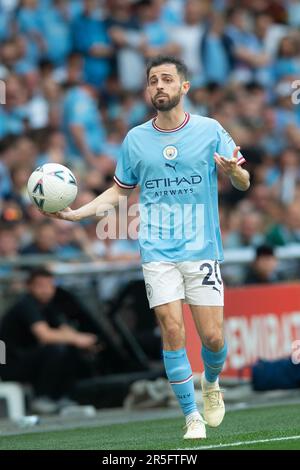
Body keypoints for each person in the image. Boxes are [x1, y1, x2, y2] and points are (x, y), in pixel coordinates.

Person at [43, 56, 250, 439]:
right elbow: (118, 192)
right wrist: (78, 215)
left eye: (167, 79)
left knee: (214, 339)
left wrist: (234, 171)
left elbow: (244, 182)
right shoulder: (136, 139)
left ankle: (212, 383)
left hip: (202, 248)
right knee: (172, 330)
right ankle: (191, 416)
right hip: (157, 250)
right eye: (153, 80)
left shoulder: (210, 130)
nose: (159, 85)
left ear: (183, 87)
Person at [0, 267, 108, 412]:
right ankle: (42, 397)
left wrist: (84, 340)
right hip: (10, 364)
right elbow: (45, 336)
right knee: (57, 348)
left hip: (30, 359)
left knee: (69, 347)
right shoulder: (26, 305)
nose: (46, 290)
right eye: (41, 286)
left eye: (50, 286)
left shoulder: (49, 307)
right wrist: (77, 339)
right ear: (29, 287)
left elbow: (64, 330)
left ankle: (63, 397)